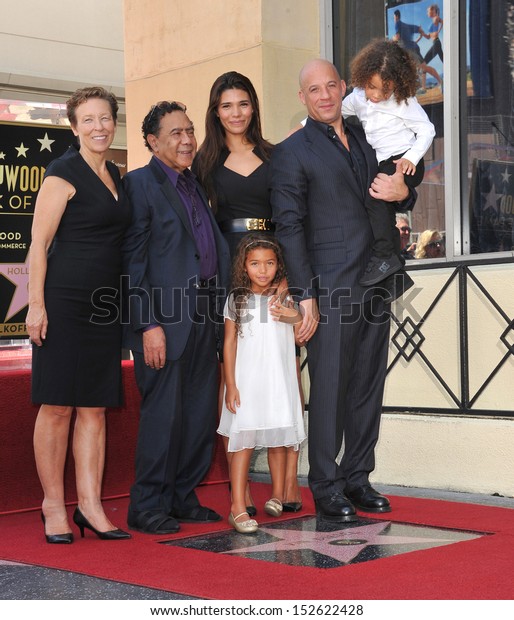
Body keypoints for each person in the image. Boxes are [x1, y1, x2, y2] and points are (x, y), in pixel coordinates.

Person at [270, 59, 416, 522]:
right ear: (303, 98)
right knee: (330, 386)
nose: (325, 95)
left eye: (331, 85)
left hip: (376, 276)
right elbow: (288, 226)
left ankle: (357, 477)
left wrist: (403, 194)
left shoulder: (368, 130)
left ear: (342, 87)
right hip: (330, 285)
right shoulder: (293, 151)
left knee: (368, 384)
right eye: (314, 89)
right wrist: (305, 293)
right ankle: (326, 484)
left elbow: (398, 182)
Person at [194, 71, 305, 515]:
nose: (235, 113)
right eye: (226, 105)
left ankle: (288, 487)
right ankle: (238, 498)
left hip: (274, 271)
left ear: (254, 107)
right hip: (227, 272)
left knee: (284, 373)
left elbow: (292, 219)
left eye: (243, 103)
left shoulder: (277, 156)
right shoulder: (202, 161)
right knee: (236, 381)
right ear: (215, 111)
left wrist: (287, 276)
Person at [26, 86, 131, 543]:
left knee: (94, 408)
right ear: (74, 127)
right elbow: (38, 244)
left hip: (105, 306)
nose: (99, 127)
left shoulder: (117, 175)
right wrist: (35, 304)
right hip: (64, 302)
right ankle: (53, 504)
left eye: (105, 118)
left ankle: (89, 505)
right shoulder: (61, 173)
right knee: (57, 406)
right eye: (88, 120)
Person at [122, 101, 231, 535]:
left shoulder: (194, 183)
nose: (187, 140)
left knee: (199, 412)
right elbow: (131, 263)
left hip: (206, 312)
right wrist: (148, 324)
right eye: (175, 134)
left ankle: (182, 496)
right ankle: (147, 505)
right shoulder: (139, 185)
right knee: (163, 415)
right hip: (164, 321)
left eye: (190, 131)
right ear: (152, 141)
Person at [217, 234, 306, 533]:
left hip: (276, 383)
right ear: (244, 266)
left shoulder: (281, 299)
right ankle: (237, 508)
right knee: (242, 442)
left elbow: (298, 322)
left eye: (269, 263)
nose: (263, 270)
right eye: (255, 264)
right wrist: (231, 384)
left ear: (278, 265)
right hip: (247, 382)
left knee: (277, 439)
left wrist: (289, 311)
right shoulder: (237, 300)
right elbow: (228, 344)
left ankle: (278, 495)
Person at [341, 38, 435, 289]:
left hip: (404, 160)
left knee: (375, 198)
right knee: (377, 202)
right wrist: (305, 126)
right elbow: (336, 112)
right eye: (372, 87)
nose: (377, 95)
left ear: (397, 82)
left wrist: (410, 158)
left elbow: (427, 130)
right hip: (385, 161)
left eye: (385, 88)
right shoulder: (358, 98)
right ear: (363, 79)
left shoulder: (404, 102)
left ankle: (385, 256)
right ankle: (389, 255)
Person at [392, 9, 442, 93]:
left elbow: (396, 37)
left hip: (411, 50)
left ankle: (441, 82)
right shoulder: (406, 26)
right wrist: (424, 34)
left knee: (423, 67)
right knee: (415, 69)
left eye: (393, 17)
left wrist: (392, 39)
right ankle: (421, 88)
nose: (393, 19)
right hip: (412, 49)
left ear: (396, 17)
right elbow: (418, 28)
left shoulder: (397, 23)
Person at [420, 4, 444, 91]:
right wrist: (422, 33)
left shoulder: (436, 18)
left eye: (428, 11)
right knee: (445, 61)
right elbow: (428, 37)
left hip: (436, 43)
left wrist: (438, 31)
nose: (427, 13)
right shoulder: (432, 22)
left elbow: (444, 22)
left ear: (433, 11)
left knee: (423, 63)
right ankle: (442, 83)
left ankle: (424, 88)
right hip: (435, 43)